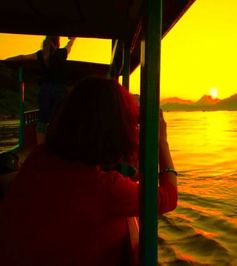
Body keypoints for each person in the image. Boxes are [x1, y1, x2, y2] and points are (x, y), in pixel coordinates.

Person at [0, 76, 178, 265]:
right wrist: (161, 142)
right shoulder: (103, 188)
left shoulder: (39, 156)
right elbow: (168, 198)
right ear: (114, 129)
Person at [6, 36, 76, 144]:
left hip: (45, 90)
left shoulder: (41, 54)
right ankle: (59, 145)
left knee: (42, 120)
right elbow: (70, 45)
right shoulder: (61, 53)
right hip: (59, 90)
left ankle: (40, 147)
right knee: (59, 118)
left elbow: (23, 57)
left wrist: (6, 60)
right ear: (57, 43)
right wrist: (73, 38)